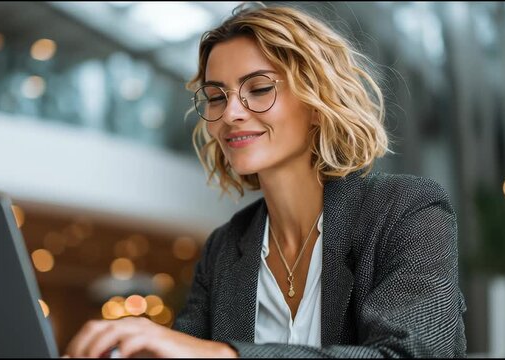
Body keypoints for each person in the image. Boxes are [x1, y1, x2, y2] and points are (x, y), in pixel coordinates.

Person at [64, 4, 467, 358]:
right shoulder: (225, 248)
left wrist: (223, 355)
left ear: (316, 102)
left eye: (257, 89)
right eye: (217, 97)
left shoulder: (408, 211)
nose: (230, 114)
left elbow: (408, 352)